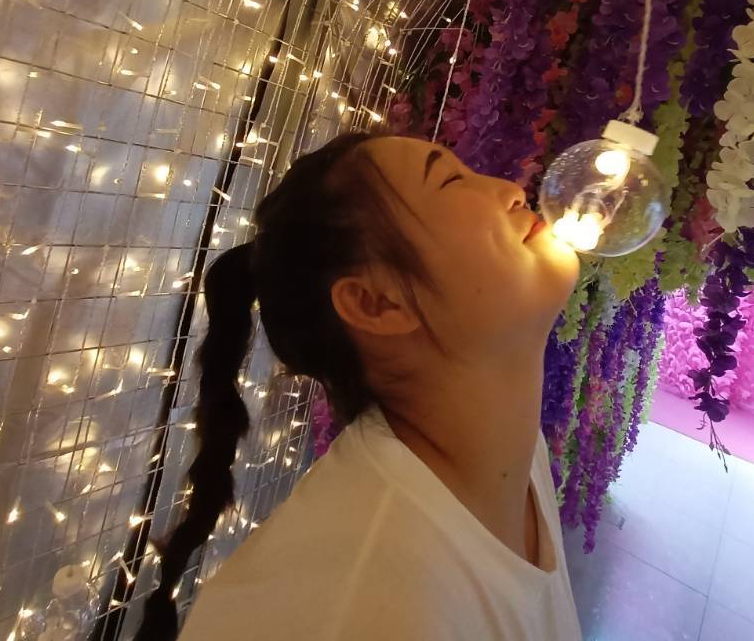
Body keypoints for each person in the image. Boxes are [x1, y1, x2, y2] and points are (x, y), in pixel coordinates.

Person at [135, 132, 583, 641]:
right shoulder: (354, 603)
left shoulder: (513, 453)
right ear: (378, 303)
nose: (512, 190)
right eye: (451, 180)